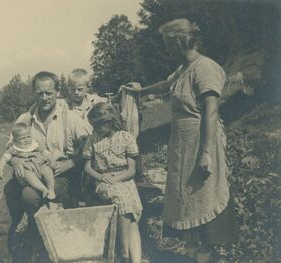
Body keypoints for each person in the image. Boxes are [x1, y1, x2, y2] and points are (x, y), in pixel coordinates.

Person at [124, 19, 237, 263]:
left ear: (177, 41)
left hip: (201, 140)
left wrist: (206, 153)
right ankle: (193, 254)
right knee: (185, 200)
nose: (165, 48)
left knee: (203, 196)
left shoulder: (205, 67)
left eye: (166, 42)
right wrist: (142, 90)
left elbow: (211, 111)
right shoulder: (184, 68)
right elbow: (168, 84)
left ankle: (206, 256)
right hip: (182, 144)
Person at [0, 71, 91, 263]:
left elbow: (91, 143)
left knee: (30, 196)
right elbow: (10, 149)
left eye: (49, 93)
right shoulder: (25, 119)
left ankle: (40, 251)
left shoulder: (69, 118)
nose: (44, 98)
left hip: (57, 177)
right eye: (39, 93)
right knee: (0, 224)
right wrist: (16, 162)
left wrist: (71, 162)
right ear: (34, 94)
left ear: (57, 92)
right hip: (23, 176)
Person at [83, 102, 142, 263]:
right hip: (103, 181)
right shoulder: (93, 139)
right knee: (123, 199)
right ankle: (124, 252)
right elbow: (87, 167)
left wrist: (117, 179)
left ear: (108, 122)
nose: (95, 129)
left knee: (131, 210)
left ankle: (133, 259)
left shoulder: (125, 137)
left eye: (97, 126)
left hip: (125, 179)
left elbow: (131, 170)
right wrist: (101, 177)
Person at [0, 122, 56, 200]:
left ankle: (51, 189)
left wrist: (52, 160)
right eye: (22, 138)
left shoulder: (35, 145)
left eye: (28, 136)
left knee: (47, 170)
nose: (26, 140)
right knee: (27, 174)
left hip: (40, 165)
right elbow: (4, 158)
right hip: (28, 169)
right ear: (15, 140)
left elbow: (46, 153)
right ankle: (43, 189)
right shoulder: (14, 149)